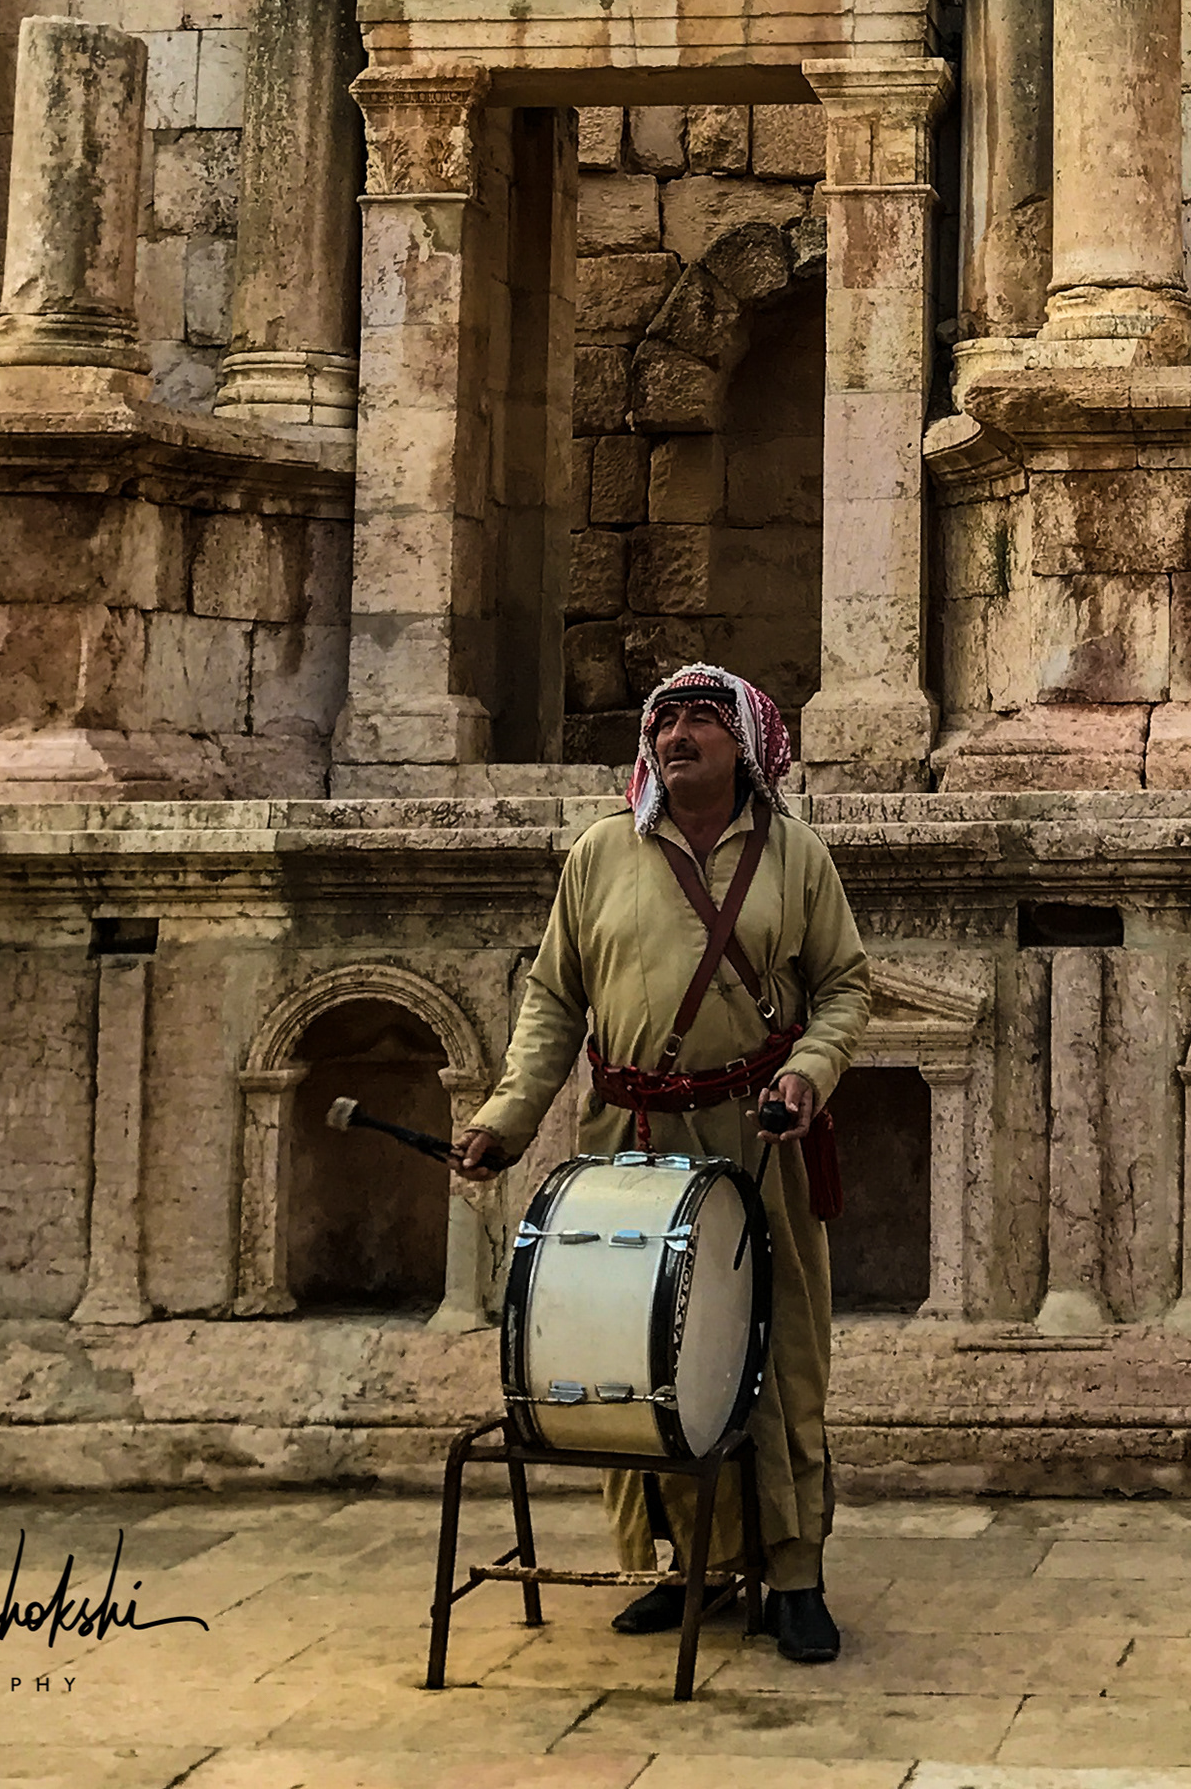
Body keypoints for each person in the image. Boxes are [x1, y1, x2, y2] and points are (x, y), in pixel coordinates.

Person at [456, 663, 874, 1664]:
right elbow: (556, 1000)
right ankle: (686, 1564)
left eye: (700, 718)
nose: (678, 733)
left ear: (744, 743)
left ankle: (793, 1573)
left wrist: (808, 1076)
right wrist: (507, 1115)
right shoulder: (601, 854)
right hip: (631, 1141)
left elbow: (846, 989)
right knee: (638, 1351)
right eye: (665, 719)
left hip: (758, 1136)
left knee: (775, 1353)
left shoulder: (795, 856)